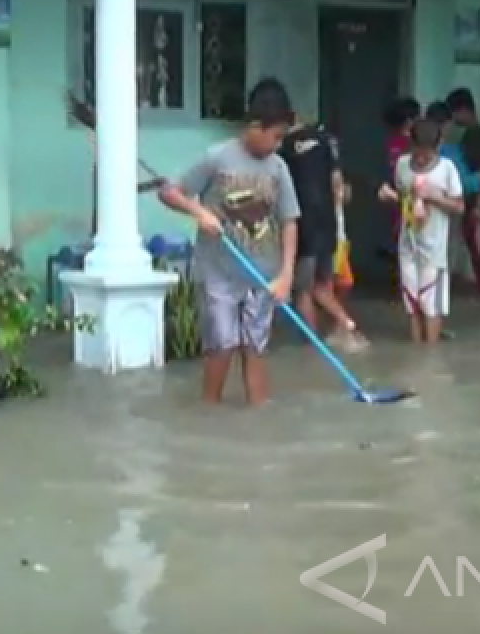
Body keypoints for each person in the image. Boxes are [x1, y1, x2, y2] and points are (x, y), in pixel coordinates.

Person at [157, 78, 300, 406]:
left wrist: (286, 274)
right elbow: (169, 192)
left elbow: (290, 221)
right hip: (218, 273)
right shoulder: (216, 157)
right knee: (221, 344)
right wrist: (198, 212)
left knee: (256, 346)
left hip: (263, 273)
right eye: (276, 136)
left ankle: (257, 418)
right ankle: (211, 412)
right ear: (255, 126)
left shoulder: (279, 168)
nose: (278, 144)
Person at [278, 111, 368, 351]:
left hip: (303, 224)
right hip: (328, 223)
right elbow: (339, 186)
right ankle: (346, 326)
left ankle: (312, 346)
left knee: (304, 290)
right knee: (323, 284)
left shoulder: (285, 147)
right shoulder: (326, 140)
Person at [379, 119, 464, 343]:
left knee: (431, 304)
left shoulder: (447, 169)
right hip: (408, 244)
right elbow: (403, 198)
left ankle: (431, 356)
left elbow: (459, 206)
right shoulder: (402, 165)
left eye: (427, 154)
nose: (421, 158)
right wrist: (390, 196)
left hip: (434, 249)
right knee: (411, 300)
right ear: (410, 145)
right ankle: (417, 352)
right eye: (417, 152)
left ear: (438, 147)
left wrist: (436, 197)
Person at [446, 87, 480, 295]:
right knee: (473, 243)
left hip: (478, 198)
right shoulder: (469, 135)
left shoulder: (476, 136)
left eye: (454, 113)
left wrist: (478, 204)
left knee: (478, 244)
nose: (454, 118)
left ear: (464, 110)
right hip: (471, 198)